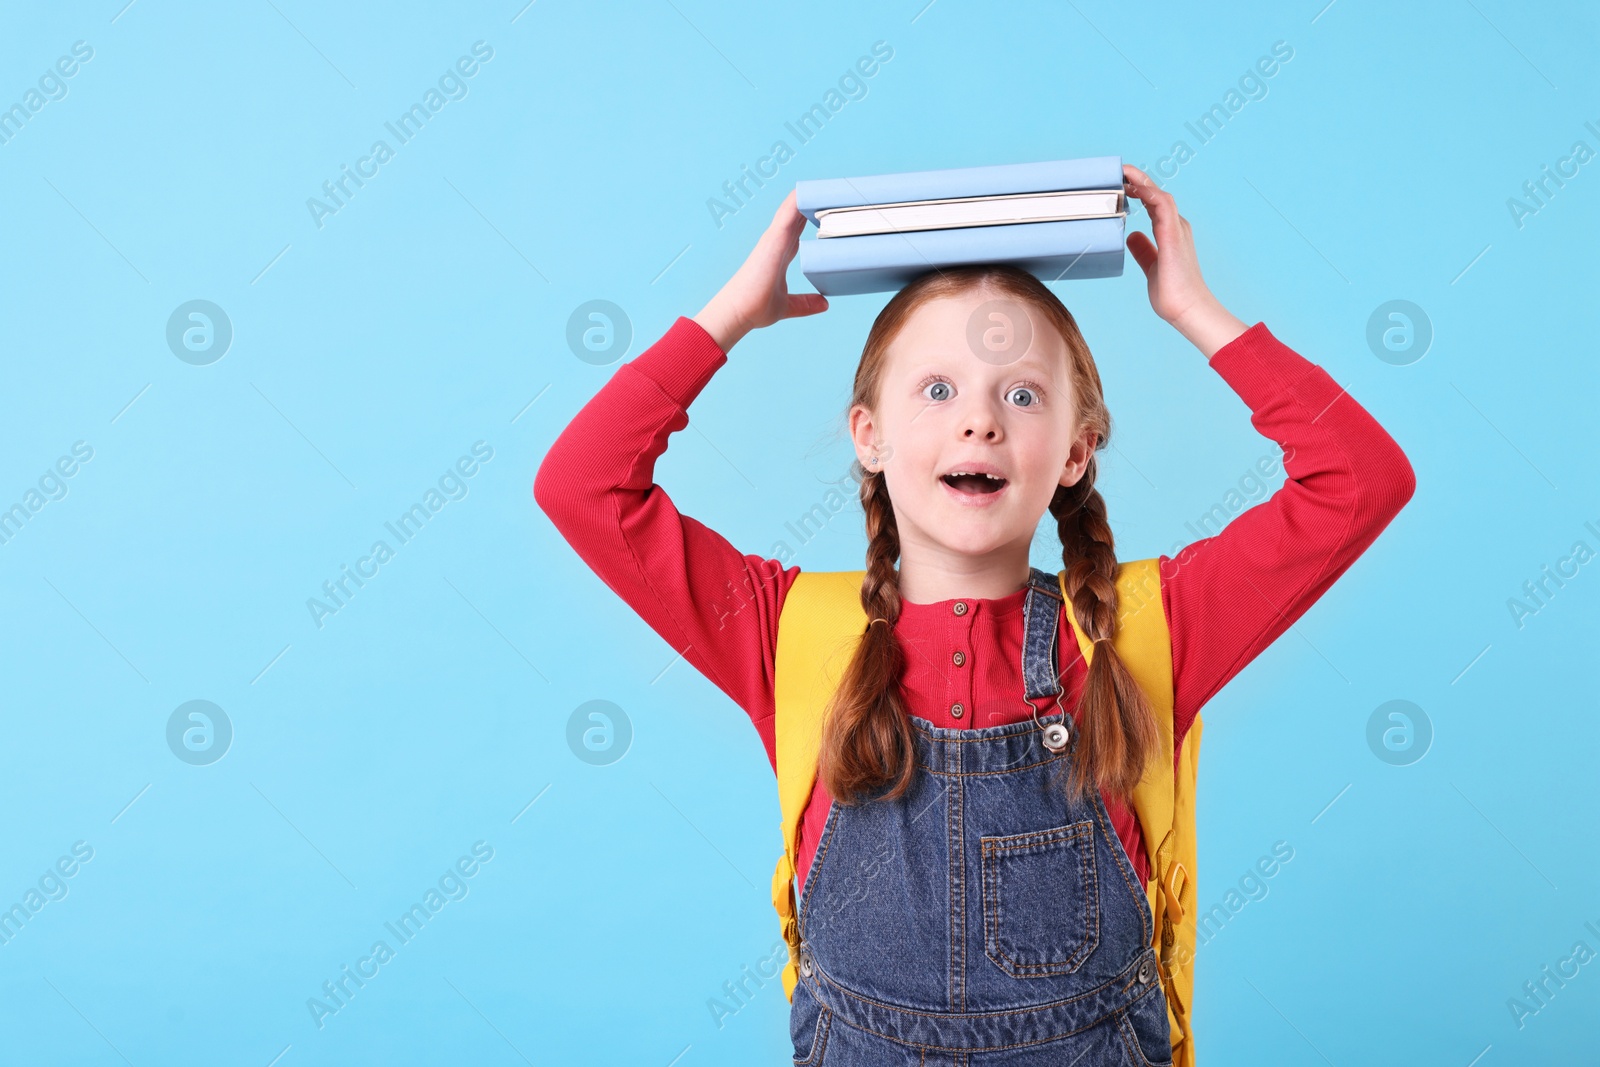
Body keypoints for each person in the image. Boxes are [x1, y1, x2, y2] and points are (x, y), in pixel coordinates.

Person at [534, 165, 1416, 1063]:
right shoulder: (784, 631)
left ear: (1077, 450)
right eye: (938, 388)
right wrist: (729, 314)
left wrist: (1194, 309)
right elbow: (584, 485)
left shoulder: (1150, 629)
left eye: (1022, 393)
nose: (981, 422)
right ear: (867, 436)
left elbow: (1360, 479)